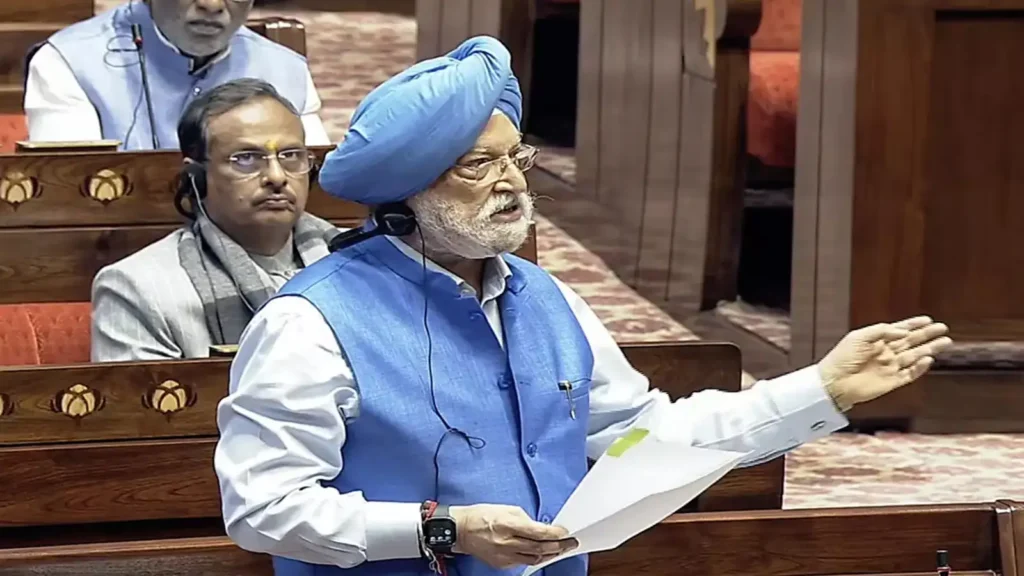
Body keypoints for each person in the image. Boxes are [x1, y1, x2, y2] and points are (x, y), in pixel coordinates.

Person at [213, 37, 953, 576]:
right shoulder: (310, 323)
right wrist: (443, 530)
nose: (511, 182)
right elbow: (262, 509)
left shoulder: (545, 297)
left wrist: (820, 389)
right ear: (405, 194)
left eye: (517, 157)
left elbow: (648, 436)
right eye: (478, 165)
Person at [91, 78, 338, 361]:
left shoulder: (362, 258)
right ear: (197, 176)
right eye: (246, 158)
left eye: (290, 155)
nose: (277, 176)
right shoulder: (139, 289)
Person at [24, 0, 331, 149]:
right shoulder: (69, 62)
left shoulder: (284, 68)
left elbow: (317, 193)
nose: (212, 5)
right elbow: (71, 203)